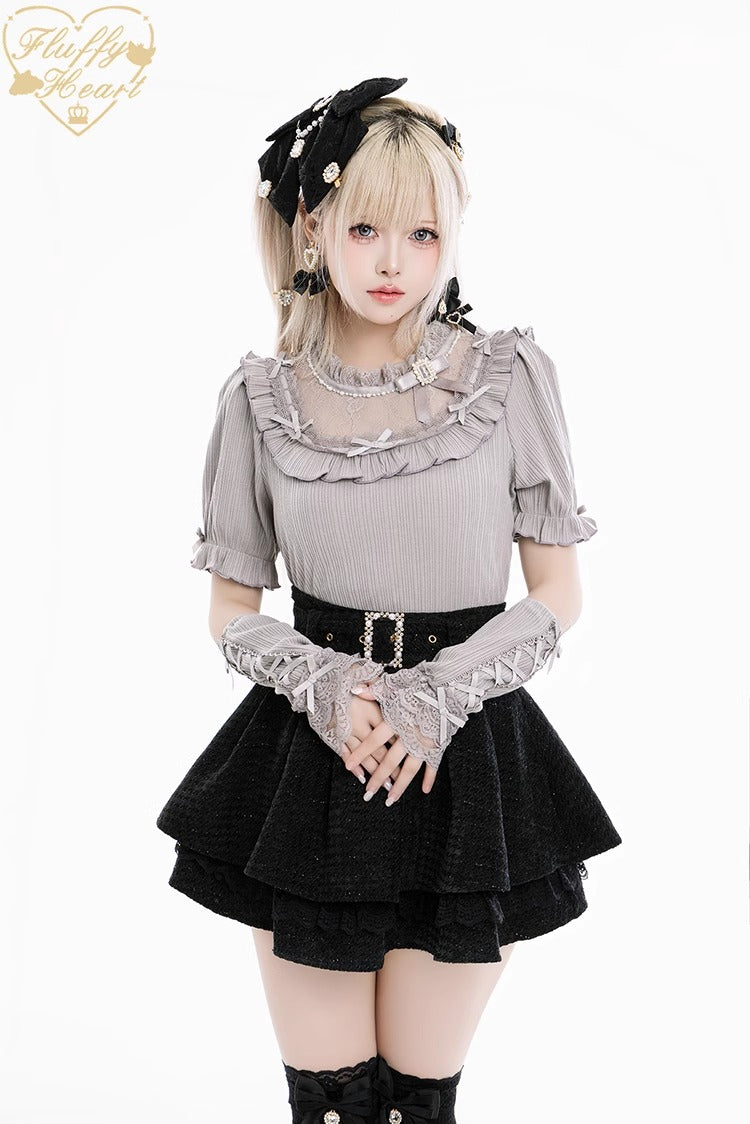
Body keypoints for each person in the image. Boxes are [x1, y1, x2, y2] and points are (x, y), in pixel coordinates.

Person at [156, 76, 623, 1124]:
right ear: (313, 228)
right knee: (330, 1104)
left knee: (419, 1101)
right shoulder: (258, 401)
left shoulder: (507, 378)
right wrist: (323, 683)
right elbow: (231, 605)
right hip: (313, 756)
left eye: (423, 233)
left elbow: (558, 592)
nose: (392, 262)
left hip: (468, 758)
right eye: (366, 228)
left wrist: (438, 695)